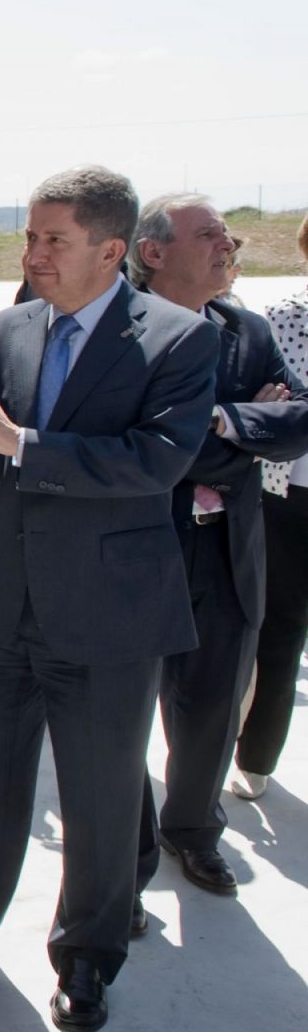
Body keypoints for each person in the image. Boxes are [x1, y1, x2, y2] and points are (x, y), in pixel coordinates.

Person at [0, 166, 217, 1032]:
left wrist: (24, 441)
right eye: (30, 236)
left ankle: (87, 959)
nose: (33, 254)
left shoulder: (177, 339)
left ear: (112, 249)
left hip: (109, 612)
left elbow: (158, 461)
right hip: (2, 601)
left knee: (100, 798)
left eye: (54, 239)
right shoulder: (3, 328)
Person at [126, 195, 308, 904]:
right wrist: (245, 429)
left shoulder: (245, 329)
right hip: (141, 550)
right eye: (209, 235)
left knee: (213, 705)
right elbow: (153, 451)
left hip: (229, 548)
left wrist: (222, 420)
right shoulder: (122, 331)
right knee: (121, 716)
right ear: (153, 252)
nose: (227, 245)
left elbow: (298, 420)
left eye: (227, 234)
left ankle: (194, 830)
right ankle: (126, 855)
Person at [235, 213, 308, 800]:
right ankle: (257, 756)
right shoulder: (283, 317)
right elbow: (268, 404)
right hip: (289, 496)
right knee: (280, 630)